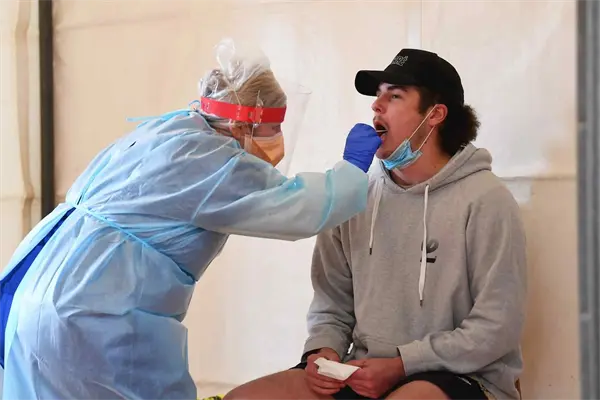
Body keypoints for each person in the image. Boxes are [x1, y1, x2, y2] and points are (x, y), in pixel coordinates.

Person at [0, 39, 382, 400]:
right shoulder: (207, 159)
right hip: (92, 315)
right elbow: (298, 209)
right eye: (272, 129)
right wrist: (351, 170)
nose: (278, 140)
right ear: (241, 124)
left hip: (38, 294)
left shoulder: (165, 133)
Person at [224, 49, 527, 400]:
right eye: (377, 95)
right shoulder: (353, 195)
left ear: (435, 114)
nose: (376, 106)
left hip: (461, 375)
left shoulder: (486, 200)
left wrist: (402, 364)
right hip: (363, 371)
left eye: (394, 96)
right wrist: (323, 351)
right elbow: (332, 304)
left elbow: (496, 326)